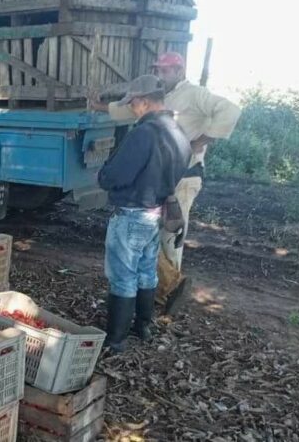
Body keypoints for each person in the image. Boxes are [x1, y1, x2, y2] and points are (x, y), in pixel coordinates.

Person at [90, 52, 241, 316]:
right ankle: (149, 306)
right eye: (158, 71)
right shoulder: (161, 102)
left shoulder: (195, 95)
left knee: (169, 238)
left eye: (165, 71)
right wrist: (100, 107)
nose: (161, 76)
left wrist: (200, 142)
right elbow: (130, 109)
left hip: (183, 175)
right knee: (150, 243)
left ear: (180, 70)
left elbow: (231, 110)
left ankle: (167, 294)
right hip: (164, 177)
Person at [98, 75, 191, 353]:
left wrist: (104, 175)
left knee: (123, 276)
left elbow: (115, 175)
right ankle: (143, 326)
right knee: (146, 273)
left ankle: (115, 340)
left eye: (133, 104)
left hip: (132, 213)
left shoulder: (143, 133)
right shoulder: (178, 131)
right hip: (155, 213)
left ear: (143, 101)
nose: (133, 109)